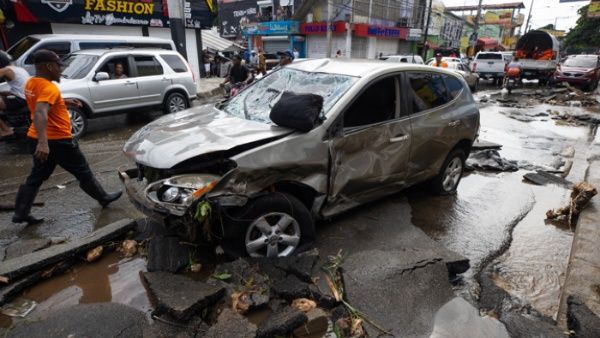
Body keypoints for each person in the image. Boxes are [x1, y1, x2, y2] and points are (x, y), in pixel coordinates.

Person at [12, 50, 122, 225]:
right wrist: (43, 142)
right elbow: (40, 112)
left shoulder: (32, 83)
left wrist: (64, 101)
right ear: (48, 66)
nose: (60, 71)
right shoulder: (48, 87)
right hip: (57, 140)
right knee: (82, 170)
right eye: (58, 66)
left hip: (37, 137)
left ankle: (21, 212)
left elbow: (42, 103)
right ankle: (103, 197)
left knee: (36, 176)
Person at [0, 51, 29, 140]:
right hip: (27, 96)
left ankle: (6, 130)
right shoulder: (18, 69)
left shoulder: (6, 70)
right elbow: (19, 88)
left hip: (21, 99)